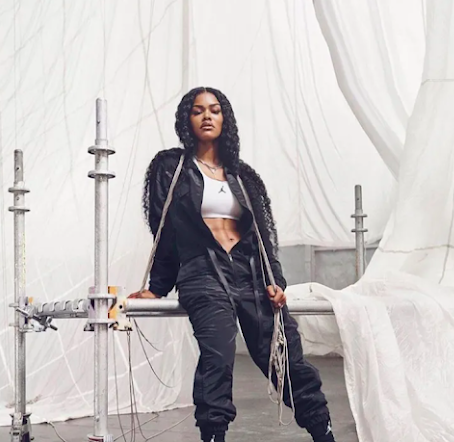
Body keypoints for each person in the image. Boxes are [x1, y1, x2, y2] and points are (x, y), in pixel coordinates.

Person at [129, 87, 336, 442]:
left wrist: (276, 282)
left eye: (214, 110)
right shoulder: (171, 168)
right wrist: (157, 287)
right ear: (186, 119)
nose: (207, 116)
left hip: (251, 276)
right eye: (198, 110)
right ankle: (214, 435)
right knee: (218, 358)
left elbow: (263, 238)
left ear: (225, 118)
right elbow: (164, 230)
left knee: (285, 357)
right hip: (203, 274)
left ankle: (323, 432)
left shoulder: (243, 176)